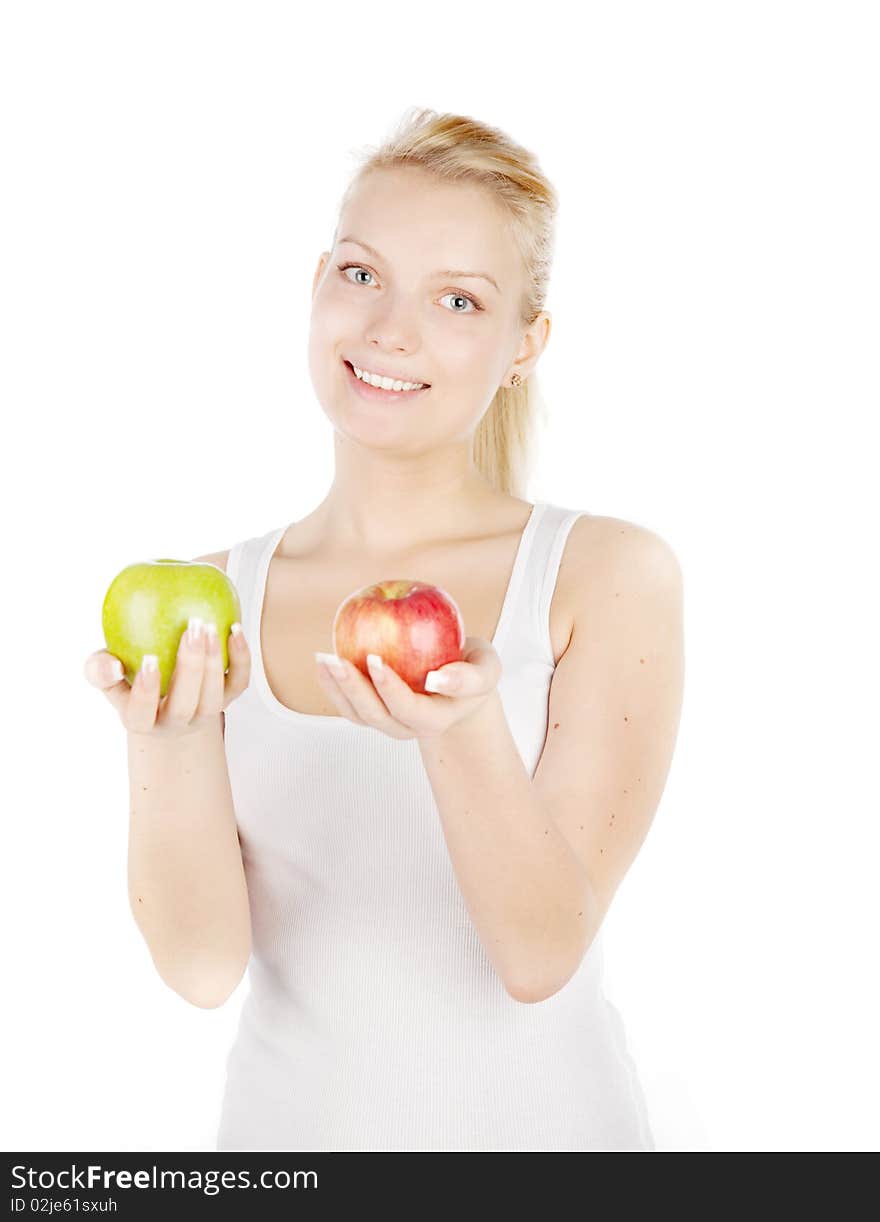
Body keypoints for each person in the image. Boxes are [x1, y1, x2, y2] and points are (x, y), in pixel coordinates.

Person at [84, 107, 685, 1152]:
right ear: (316, 284)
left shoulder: (604, 575)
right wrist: (167, 738)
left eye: (458, 299)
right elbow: (200, 967)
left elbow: (538, 953)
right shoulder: (214, 596)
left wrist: (461, 733)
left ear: (522, 347)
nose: (389, 330)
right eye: (362, 275)